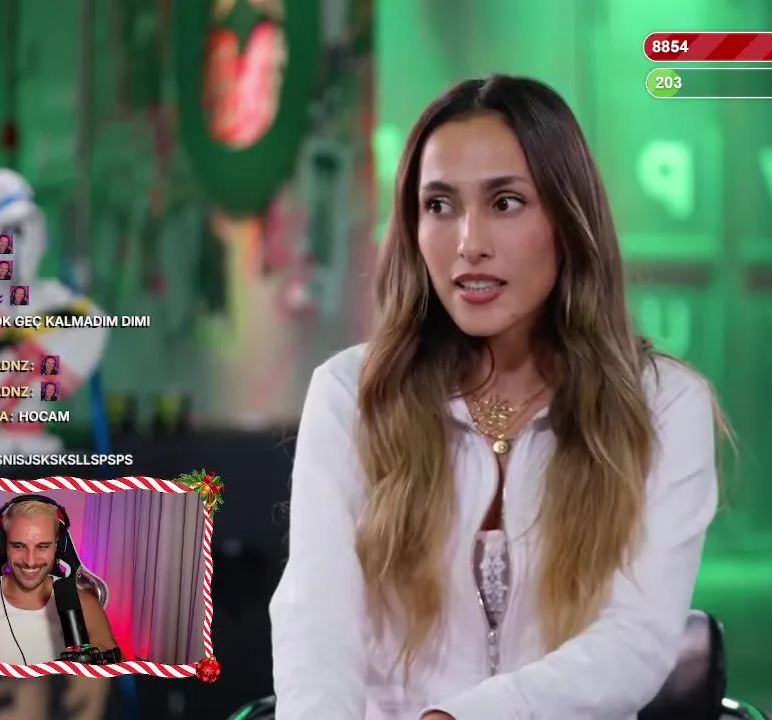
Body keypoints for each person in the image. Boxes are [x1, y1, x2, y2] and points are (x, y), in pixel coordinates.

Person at [269, 75, 728, 720]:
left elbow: (636, 638)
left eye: (506, 202)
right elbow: (316, 624)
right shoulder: (351, 394)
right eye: (439, 205)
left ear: (568, 219)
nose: (469, 243)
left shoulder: (665, 407)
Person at [0, 497, 117, 665]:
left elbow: (116, 679)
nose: (30, 561)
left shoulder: (85, 605)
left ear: (58, 546)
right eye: (18, 546)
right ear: (2, 546)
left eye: (43, 546)